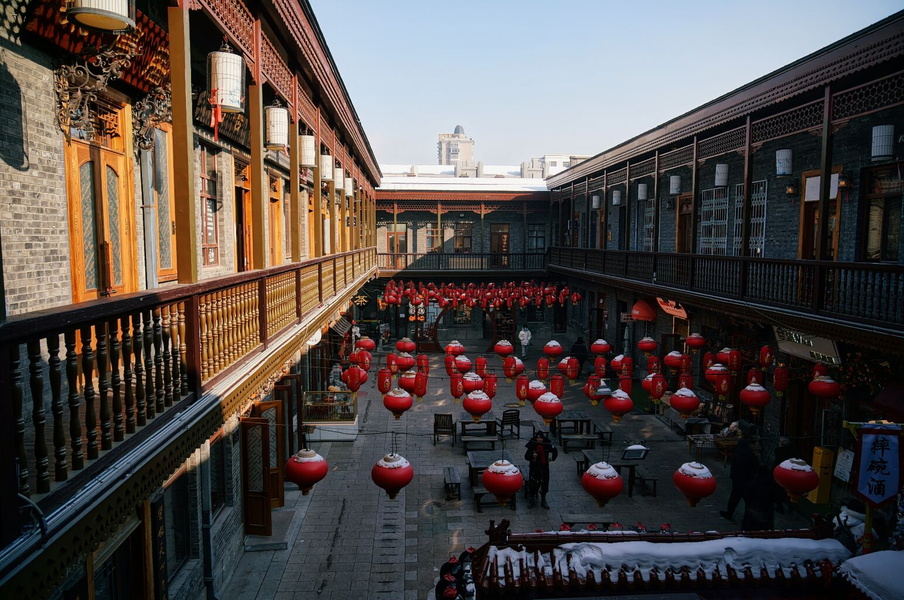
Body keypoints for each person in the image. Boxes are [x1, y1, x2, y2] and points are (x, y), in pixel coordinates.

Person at [720, 435, 759, 520]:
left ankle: (729, 512)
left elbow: (733, 467)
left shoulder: (736, 454)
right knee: (748, 499)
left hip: (737, 480)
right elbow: (755, 467)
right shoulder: (751, 454)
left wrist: (732, 477)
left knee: (734, 497)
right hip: (748, 480)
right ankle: (749, 516)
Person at [524, 431, 557, 509]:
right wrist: (532, 456)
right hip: (534, 468)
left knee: (545, 483)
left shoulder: (546, 445)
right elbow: (526, 456)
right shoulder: (532, 445)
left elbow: (554, 450)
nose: (539, 439)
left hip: (544, 467)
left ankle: (543, 499)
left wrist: (552, 458)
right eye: (538, 438)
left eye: (540, 438)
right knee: (533, 483)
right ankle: (531, 498)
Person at [741, 465, 775, 531]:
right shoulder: (771, 484)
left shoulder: (753, 483)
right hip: (766, 513)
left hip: (752, 511)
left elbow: (746, 496)